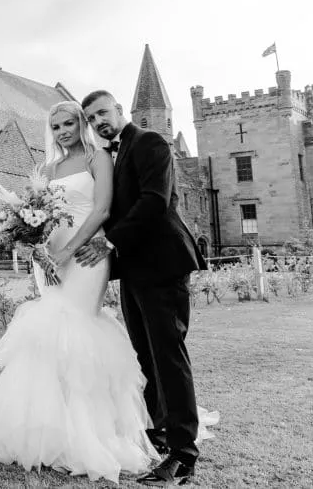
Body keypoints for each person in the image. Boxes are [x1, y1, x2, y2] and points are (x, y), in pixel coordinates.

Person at [0, 100, 159, 484]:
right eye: (55, 127)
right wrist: (35, 243)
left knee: (78, 329)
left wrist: (69, 250)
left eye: (69, 123)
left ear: (81, 123)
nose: (63, 131)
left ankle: (92, 434)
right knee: (50, 336)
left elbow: (101, 209)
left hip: (86, 254)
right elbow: (40, 214)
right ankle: (47, 429)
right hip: (51, 258)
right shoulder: (48, 169)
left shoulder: (98, 159)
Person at [75, 90, 212, 487]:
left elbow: (155, 201)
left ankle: (184, 456)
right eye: (92, 118)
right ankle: (160, 431)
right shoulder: (111, 155)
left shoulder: (150, 141)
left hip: (163, 263)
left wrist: (109, 241)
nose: (99, 121)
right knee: (145, 356)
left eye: (103, 112)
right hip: (133, 269)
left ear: (119, 110)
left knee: (169, 356)